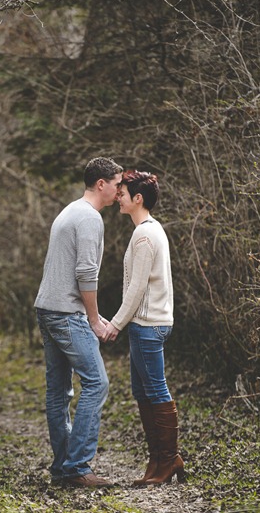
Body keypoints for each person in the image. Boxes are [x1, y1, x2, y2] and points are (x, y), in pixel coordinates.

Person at [35, 157, 123, 488]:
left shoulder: (71, 211)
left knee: (58, 391)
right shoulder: (88, 219)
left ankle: (63, 469)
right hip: (64, 313)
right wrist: (93, 318)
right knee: (97, 383)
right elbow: (86, 272)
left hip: (47, 308)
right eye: (116, 183)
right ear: (101, 184)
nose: (119, 190)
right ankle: (77, 467)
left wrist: (91, 315)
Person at [104, 170, 185, 486]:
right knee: (143, 392)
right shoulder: (149, 230)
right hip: (148, 324)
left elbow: (136, 288)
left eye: (122, 192)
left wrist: (115, 325)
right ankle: (157, 461)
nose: (118, 197)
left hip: (148, 325)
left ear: (138, 198)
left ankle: (169, 459)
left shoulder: (145, 235)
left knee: (155, 391)